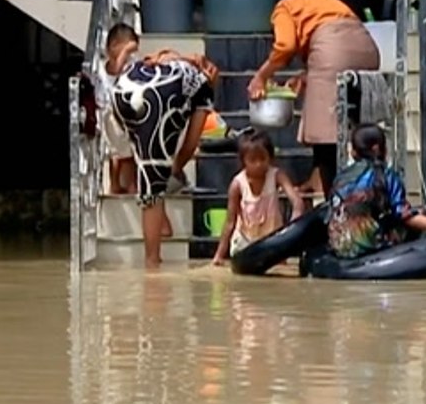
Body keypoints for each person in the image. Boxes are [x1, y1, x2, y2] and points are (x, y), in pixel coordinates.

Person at [247, 0, 380, 196]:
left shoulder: (286, 6)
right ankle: (334, 181)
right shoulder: (329, 1)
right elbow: (339, 39)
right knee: (353, 126)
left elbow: (285, 46)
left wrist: (261, 77)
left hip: (332, 53)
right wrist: (308, 75)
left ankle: (333, 197)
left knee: (324, 130)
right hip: (368, 52)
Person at [109, 39, 220, 267]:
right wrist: (176, 168)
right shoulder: (204, 86)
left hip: (121, 92)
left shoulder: (171, 61)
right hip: (157, 101)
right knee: (155, 181)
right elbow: (190, 144)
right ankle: (152, 262)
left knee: (151, 172)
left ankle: (162, 220)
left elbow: (159, 57)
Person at [327, 124, 426, 259]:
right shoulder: (386, 175)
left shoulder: (340, 177)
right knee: (423, 213)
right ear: (380, 149)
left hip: (339, 244)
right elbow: (405, 216)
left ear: (353, 152)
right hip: (366, 247)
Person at [211, 130, 306, 266]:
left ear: (270, 158)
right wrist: (219, 255)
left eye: (262, 159)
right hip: (245, 244)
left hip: (274, 243)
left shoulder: (277, 175)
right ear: (244, 161)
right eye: (252, 160)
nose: (258, 164)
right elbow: (230, 222)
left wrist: (292, 226)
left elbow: (297, 201)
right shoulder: (237, 184)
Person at [99, 24, 140, 195]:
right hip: (111, 113)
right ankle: (121, 184)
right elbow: (116, 69)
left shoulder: (130, 64)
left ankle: (124, 184)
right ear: (113, 48)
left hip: (125, 112)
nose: (129, 55)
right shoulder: (107, 67)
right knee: (122, 153)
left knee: (123, 153)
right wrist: (126, 51)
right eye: (127, 50)